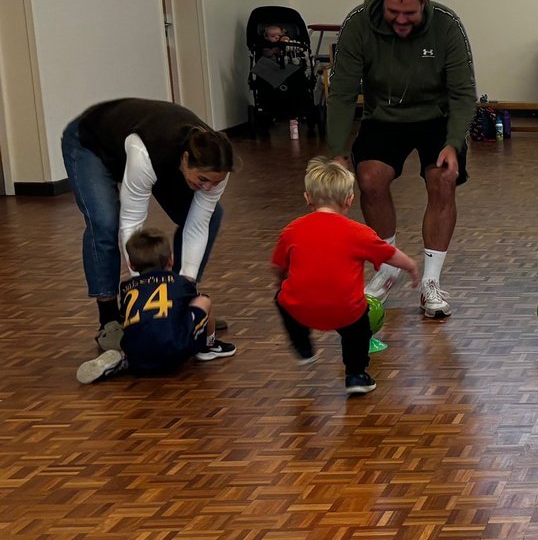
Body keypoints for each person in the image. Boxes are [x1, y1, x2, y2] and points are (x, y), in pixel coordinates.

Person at [325, 0, 476, 320]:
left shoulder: (447, 26)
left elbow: (463, 93)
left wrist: (453, 142)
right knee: (369, 180)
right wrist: (337, 152)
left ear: (423, 2)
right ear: (382, 2)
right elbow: (342, 92)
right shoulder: (358, 25)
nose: (401, 20)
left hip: (436, 116)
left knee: (443, 178)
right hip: (384, 116)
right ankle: (388, 267)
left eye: (410, 13)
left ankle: (431, 282)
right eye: (394, 12)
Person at [63, 98, 233, 360]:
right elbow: (132, 224)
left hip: (153, 156)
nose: (209, 187)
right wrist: (144, 293)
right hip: (90, 144)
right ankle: (109, 319)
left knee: (212, 215)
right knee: (105, 222)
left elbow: (198, 223)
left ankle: (177, 304)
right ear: (186, 159)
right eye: (203, 180)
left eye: (214, 182)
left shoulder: (217, 163)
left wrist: (180, 294)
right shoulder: (147, 152)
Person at [273, 157, 420, 398]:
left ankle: (303, 346)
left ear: (307, 198)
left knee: (281, 298)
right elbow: (390, 254)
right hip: (344, 311)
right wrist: (411, 266)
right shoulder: (359, 233)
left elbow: (278, 267)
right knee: (359, 330)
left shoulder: (292, 230)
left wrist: (281, 282)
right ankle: (356, 375)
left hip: (302, 309)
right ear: (349, 200)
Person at [77, 229, 236, 383]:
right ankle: (209, 346)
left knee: (140, 336)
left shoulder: (126, 287)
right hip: (174, 351)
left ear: (131, 265)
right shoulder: (180, 282)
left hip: (136, 353)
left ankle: (124, 359)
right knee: (203, 300)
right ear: (171, 260)